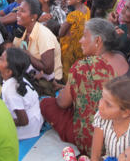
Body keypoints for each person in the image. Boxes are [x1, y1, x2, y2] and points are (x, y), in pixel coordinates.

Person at [40, 19, 120, 155]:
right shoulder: (118, 63)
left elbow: (63, 103)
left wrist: (62, 92)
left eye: (84, 36)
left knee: (46, 103)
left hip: (88, 140)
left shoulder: (82, 66)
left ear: (98, 41)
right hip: (113, 138)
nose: (80, 41)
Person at [90, 77, 130, 160]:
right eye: (102, 98)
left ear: (125, 112)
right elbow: (95, 155)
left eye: (108, 104)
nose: (100, 106)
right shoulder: (102, 119)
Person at [13, 0, 63, 87]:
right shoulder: (24, 30)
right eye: (18, 10)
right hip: (32, 75)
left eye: (22, 11)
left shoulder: (43, 35)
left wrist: (27, 54)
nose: (18, 13)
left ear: (34, 17)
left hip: (50, 82)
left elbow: (48, 69)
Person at [0, 48, 43, 140]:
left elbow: (24, 121)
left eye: (1, 59)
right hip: (35, 122)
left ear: (8, 71)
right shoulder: (18, 79)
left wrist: (2, 123)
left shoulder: (10, 90)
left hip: (27, 132)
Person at [59, 0, 90, 79]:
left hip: (69, 50)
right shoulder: (87, 10)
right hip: (81, 48)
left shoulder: (73, 15)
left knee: (67, 73)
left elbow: (61, 33)